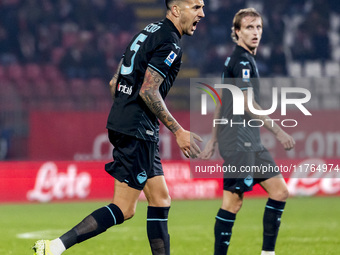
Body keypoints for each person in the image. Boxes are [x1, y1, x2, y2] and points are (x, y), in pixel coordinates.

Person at [32, 0, 205, 254]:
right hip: (138, 128)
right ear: (176, 9)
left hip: (128, 121)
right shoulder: (169, 42)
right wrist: (178, 131)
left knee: (160, 199)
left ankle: (55, 247)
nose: (202, 13)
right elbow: (148, 90)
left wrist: (127, 109)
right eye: (196, 7)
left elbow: (115, 82)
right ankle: (56, 247)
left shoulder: (147, 31)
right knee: (124, 208)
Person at [200, 8, 295, 255]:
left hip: (249, 139)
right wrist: (279, 132)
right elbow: (246, 105)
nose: (255, 32)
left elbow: (221, 101)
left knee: (280, 192)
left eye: (258, 27)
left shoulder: (241, 60)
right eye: (249, 28)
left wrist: (212, 139)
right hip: (238, 141)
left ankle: (267, 253)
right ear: (237, 32)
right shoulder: (241, 61)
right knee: (232, 203)